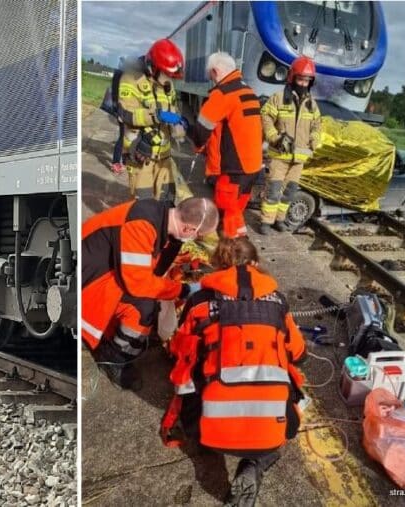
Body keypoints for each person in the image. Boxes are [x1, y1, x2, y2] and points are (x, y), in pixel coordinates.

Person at [164, 237, 307, 506]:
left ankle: (211, 440)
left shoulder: (199, 302)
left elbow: (179, 354)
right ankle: (256, 463)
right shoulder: (279, 303)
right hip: (269, 434)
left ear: (217, 265)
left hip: (208, 433)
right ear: (255, 263)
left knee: (197, 379)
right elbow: (299, 354)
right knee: (294, 404)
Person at [81, 197, 219, 389]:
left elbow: (151, 269)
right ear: (189, 229)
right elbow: (139, 284)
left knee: (151, 301)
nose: (197, 240)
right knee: (143, 308)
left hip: (103, 271)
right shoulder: (142, 225)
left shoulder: (161, 219)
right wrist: (183, 290)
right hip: (89, 281)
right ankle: (114, 357)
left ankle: (118, 340)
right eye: (199, 235)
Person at [192, 52, 263, 238]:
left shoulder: (222, 94)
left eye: (210, 75)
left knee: (227, 213)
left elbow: (201, 129)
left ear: (215, 71)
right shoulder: (249, 91)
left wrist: (198, 146)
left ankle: (235, 253)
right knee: (237, 212)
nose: (211, 80)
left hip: (233, 169)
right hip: (253, 167)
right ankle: (238, 248)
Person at [117, 39, 188, 202]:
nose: (168, 78)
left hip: (164, 157)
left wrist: (177, 122)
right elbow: (126, 114)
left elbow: (172, 108)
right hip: (141, 156)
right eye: (166, 74)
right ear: (152, 67)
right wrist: (157, 115)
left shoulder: (166, 82)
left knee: (167, 202)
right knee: (144, 206)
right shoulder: (131, 79)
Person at [259, 56, 322, 234]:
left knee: (289, 193)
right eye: (301, 79)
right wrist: (275, 137)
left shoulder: (312, 104)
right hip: (279, 156)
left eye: (307, 80)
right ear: (292, 78)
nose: (303, 83)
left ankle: (279, 220)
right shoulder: (278, 98)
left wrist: (314, 140)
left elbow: (317, 125)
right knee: (273, 190)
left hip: (299, 159)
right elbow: (265, 117)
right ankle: (265, 222)